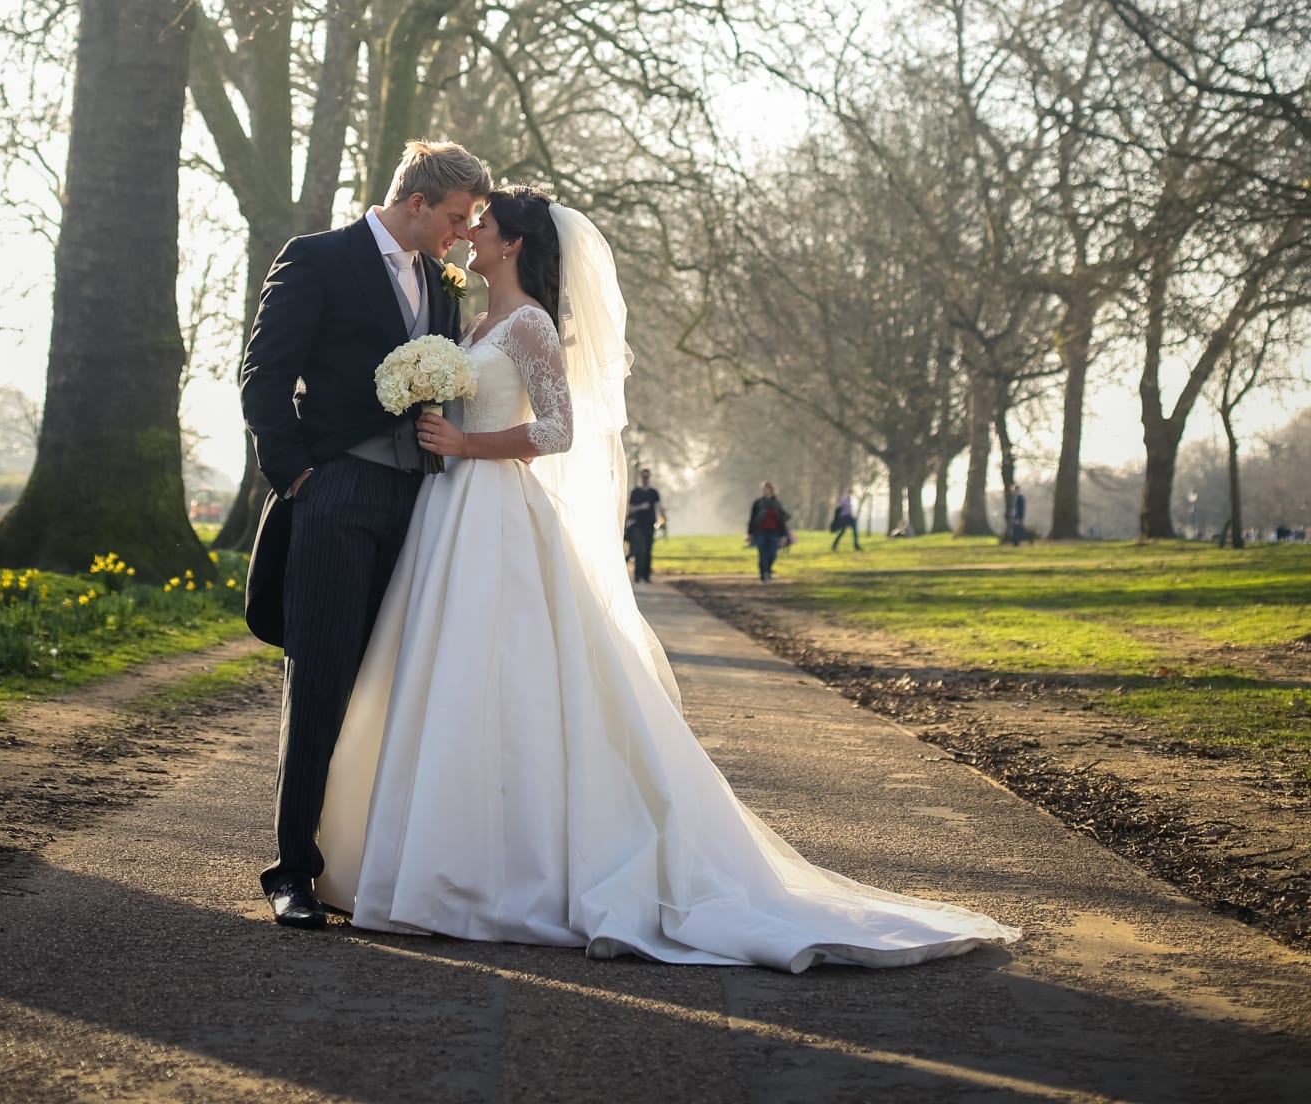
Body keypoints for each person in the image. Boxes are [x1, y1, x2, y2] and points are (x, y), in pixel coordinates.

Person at [314, 191, 1017, 969]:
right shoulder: (472, 324)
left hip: (498, 513)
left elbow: (556, 429)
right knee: (438, 677)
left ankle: (499, 873)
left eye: (482, 225)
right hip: (446, 514)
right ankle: (426, 857)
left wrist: (465, 445)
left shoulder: (533, 326)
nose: (467, 234)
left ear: (513, 245)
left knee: (505, 680)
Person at [240, 138, 493, 933]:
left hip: (416, 502)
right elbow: (263, 375)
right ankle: (292, 871)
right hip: (336, 491)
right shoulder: (316, 259)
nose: (461, 236)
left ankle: (369, 864)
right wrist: (299, 475)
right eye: (455, 219)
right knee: (318, 682)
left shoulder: (441, 285)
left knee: (395, 687)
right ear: (417, 203)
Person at [626, 466, 663, 583]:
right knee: (639, 548)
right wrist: (640, 507)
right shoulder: (635, 492)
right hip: (638, 524)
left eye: (647, 476)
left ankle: (646, 576)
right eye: (643, 476)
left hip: (650, 524)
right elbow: (630, 509)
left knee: (648, 550)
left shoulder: (654, 493)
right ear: (641, 477)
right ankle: (637, 575)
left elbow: (659, 508)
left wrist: (662, 521)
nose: (645, 479)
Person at [747, 483, 789, 579]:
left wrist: (783, 535)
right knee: (762, 554)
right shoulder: (758, 503)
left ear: (772, 491)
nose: (766, 492)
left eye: (768, 490)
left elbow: (781, 521)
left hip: (774, 533)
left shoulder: (777, 504)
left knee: (773, 554)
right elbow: (752, 519)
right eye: (764, 490)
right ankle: (763, 574)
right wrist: (750, 534)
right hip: (760, 532)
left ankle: (768, 569)